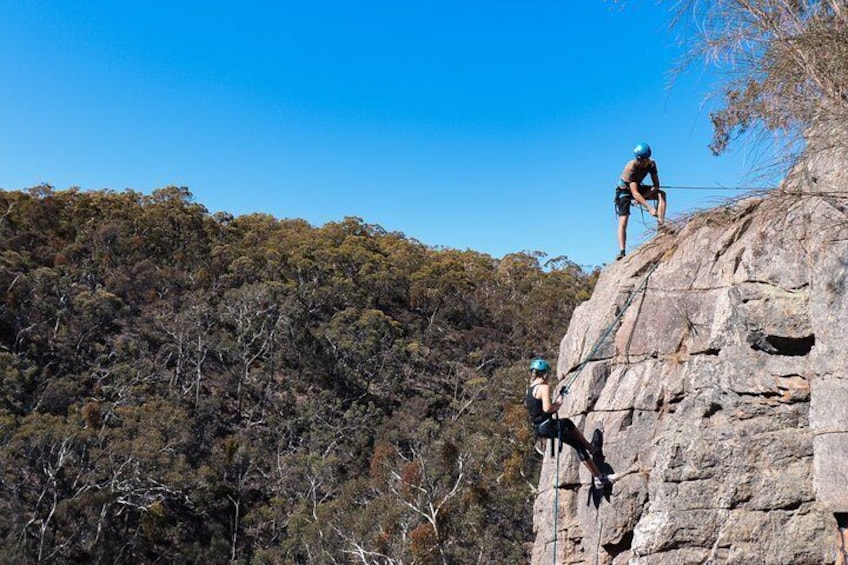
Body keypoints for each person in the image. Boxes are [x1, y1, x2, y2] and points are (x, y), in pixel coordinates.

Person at [524, 358, 614, 488]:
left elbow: (538, 410)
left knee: (567, 422)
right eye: (548, 374)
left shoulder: (529, 390)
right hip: (548, 426)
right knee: (578, 445)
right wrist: (559, 403)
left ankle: (591, 448)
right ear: (544, 374)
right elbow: (547, 409)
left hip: (539, 428)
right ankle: (599, 477)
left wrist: (559, 397)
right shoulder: (543, 387)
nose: (549, 377)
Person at [615, 142, 667, 260]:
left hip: (637, 188)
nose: (641, 162)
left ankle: (661, 226)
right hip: (624, 191)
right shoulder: (631, 168)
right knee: (623, 221)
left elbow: (656, 186)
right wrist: (649, 208)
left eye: (644, 160)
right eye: (639, 160)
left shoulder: (651, 164)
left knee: (661, 194)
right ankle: (622, 252)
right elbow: (634, 193)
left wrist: (644, 197)